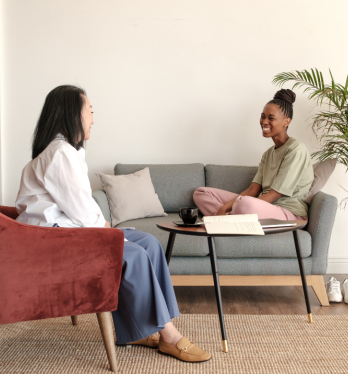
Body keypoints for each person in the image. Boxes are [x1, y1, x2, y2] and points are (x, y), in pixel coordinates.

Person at [15, 85, 211, 363]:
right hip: (53, 242)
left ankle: (141, 329)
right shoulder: (59, 154)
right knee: (133, 253)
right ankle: (169, 336)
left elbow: (78, 206)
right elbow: (82, 211)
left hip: (65, 233)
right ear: (73, 114)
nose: (93, 118)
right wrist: (107, 230)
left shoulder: (63, 151)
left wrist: (106, 228)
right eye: (90, 110)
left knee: (150, 243)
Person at [194, 89, 313, 221]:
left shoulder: (296, 149)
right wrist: (223, 208)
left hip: (289, 213)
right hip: (261, 207)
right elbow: (252, 190)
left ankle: (229, 219)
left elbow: (274, 195)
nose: (264, 122)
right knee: (201, 193)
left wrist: (233, 206)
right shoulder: (267, 154)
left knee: (245, 203)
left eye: (271, 118)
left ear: (287, 121)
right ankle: (232, 219)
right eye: (263, 116)